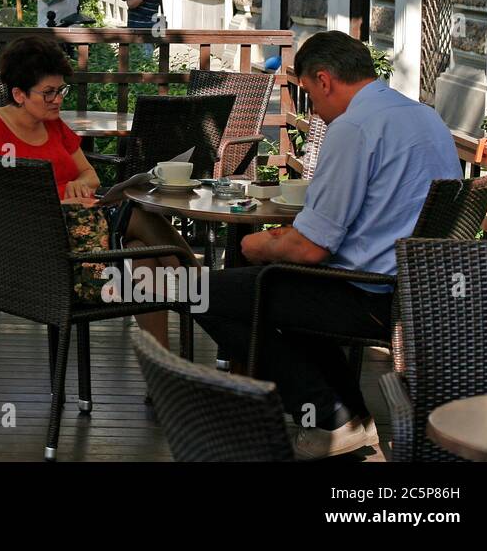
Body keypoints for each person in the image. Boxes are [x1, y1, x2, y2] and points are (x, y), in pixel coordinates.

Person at [196, 31, 461, 460]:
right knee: (274, 292)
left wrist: (258, 246)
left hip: (368, 292)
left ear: (324, 79)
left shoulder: (354, 126)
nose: (313, 112)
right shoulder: (423, 116)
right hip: (419, 291)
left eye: (308, 96)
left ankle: (332, 418)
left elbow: (310, 250)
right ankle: (340, 414)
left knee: (199, 291)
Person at [0, 37, 109, 298]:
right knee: (145, 234)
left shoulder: (54, 125)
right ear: (19, 94)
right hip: (34, 239)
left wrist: (78, 185)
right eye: (48, 92)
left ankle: (177, 304)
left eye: (60, 91)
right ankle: (192, 292)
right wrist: (56, 202)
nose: (57, 100)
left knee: (145, 232)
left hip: (83, 229)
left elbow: (90, 176)